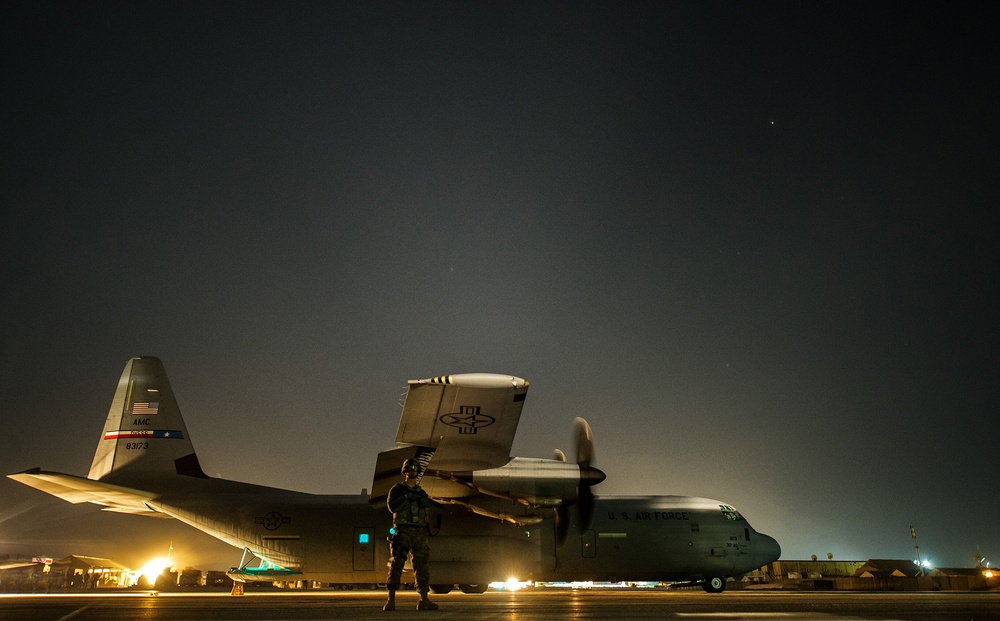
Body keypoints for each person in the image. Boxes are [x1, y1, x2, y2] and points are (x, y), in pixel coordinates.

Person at [383, 458, 438, 611]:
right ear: (405, 472)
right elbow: (392, 507)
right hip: (404, 531)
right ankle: (391, 600)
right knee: (397, 565)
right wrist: (406, 498)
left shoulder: (421, 493)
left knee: (422, 566)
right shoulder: (398, 490)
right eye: (409, 469)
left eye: (415, 469)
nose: (412, 472)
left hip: (420, 532)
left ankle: (424, 599)